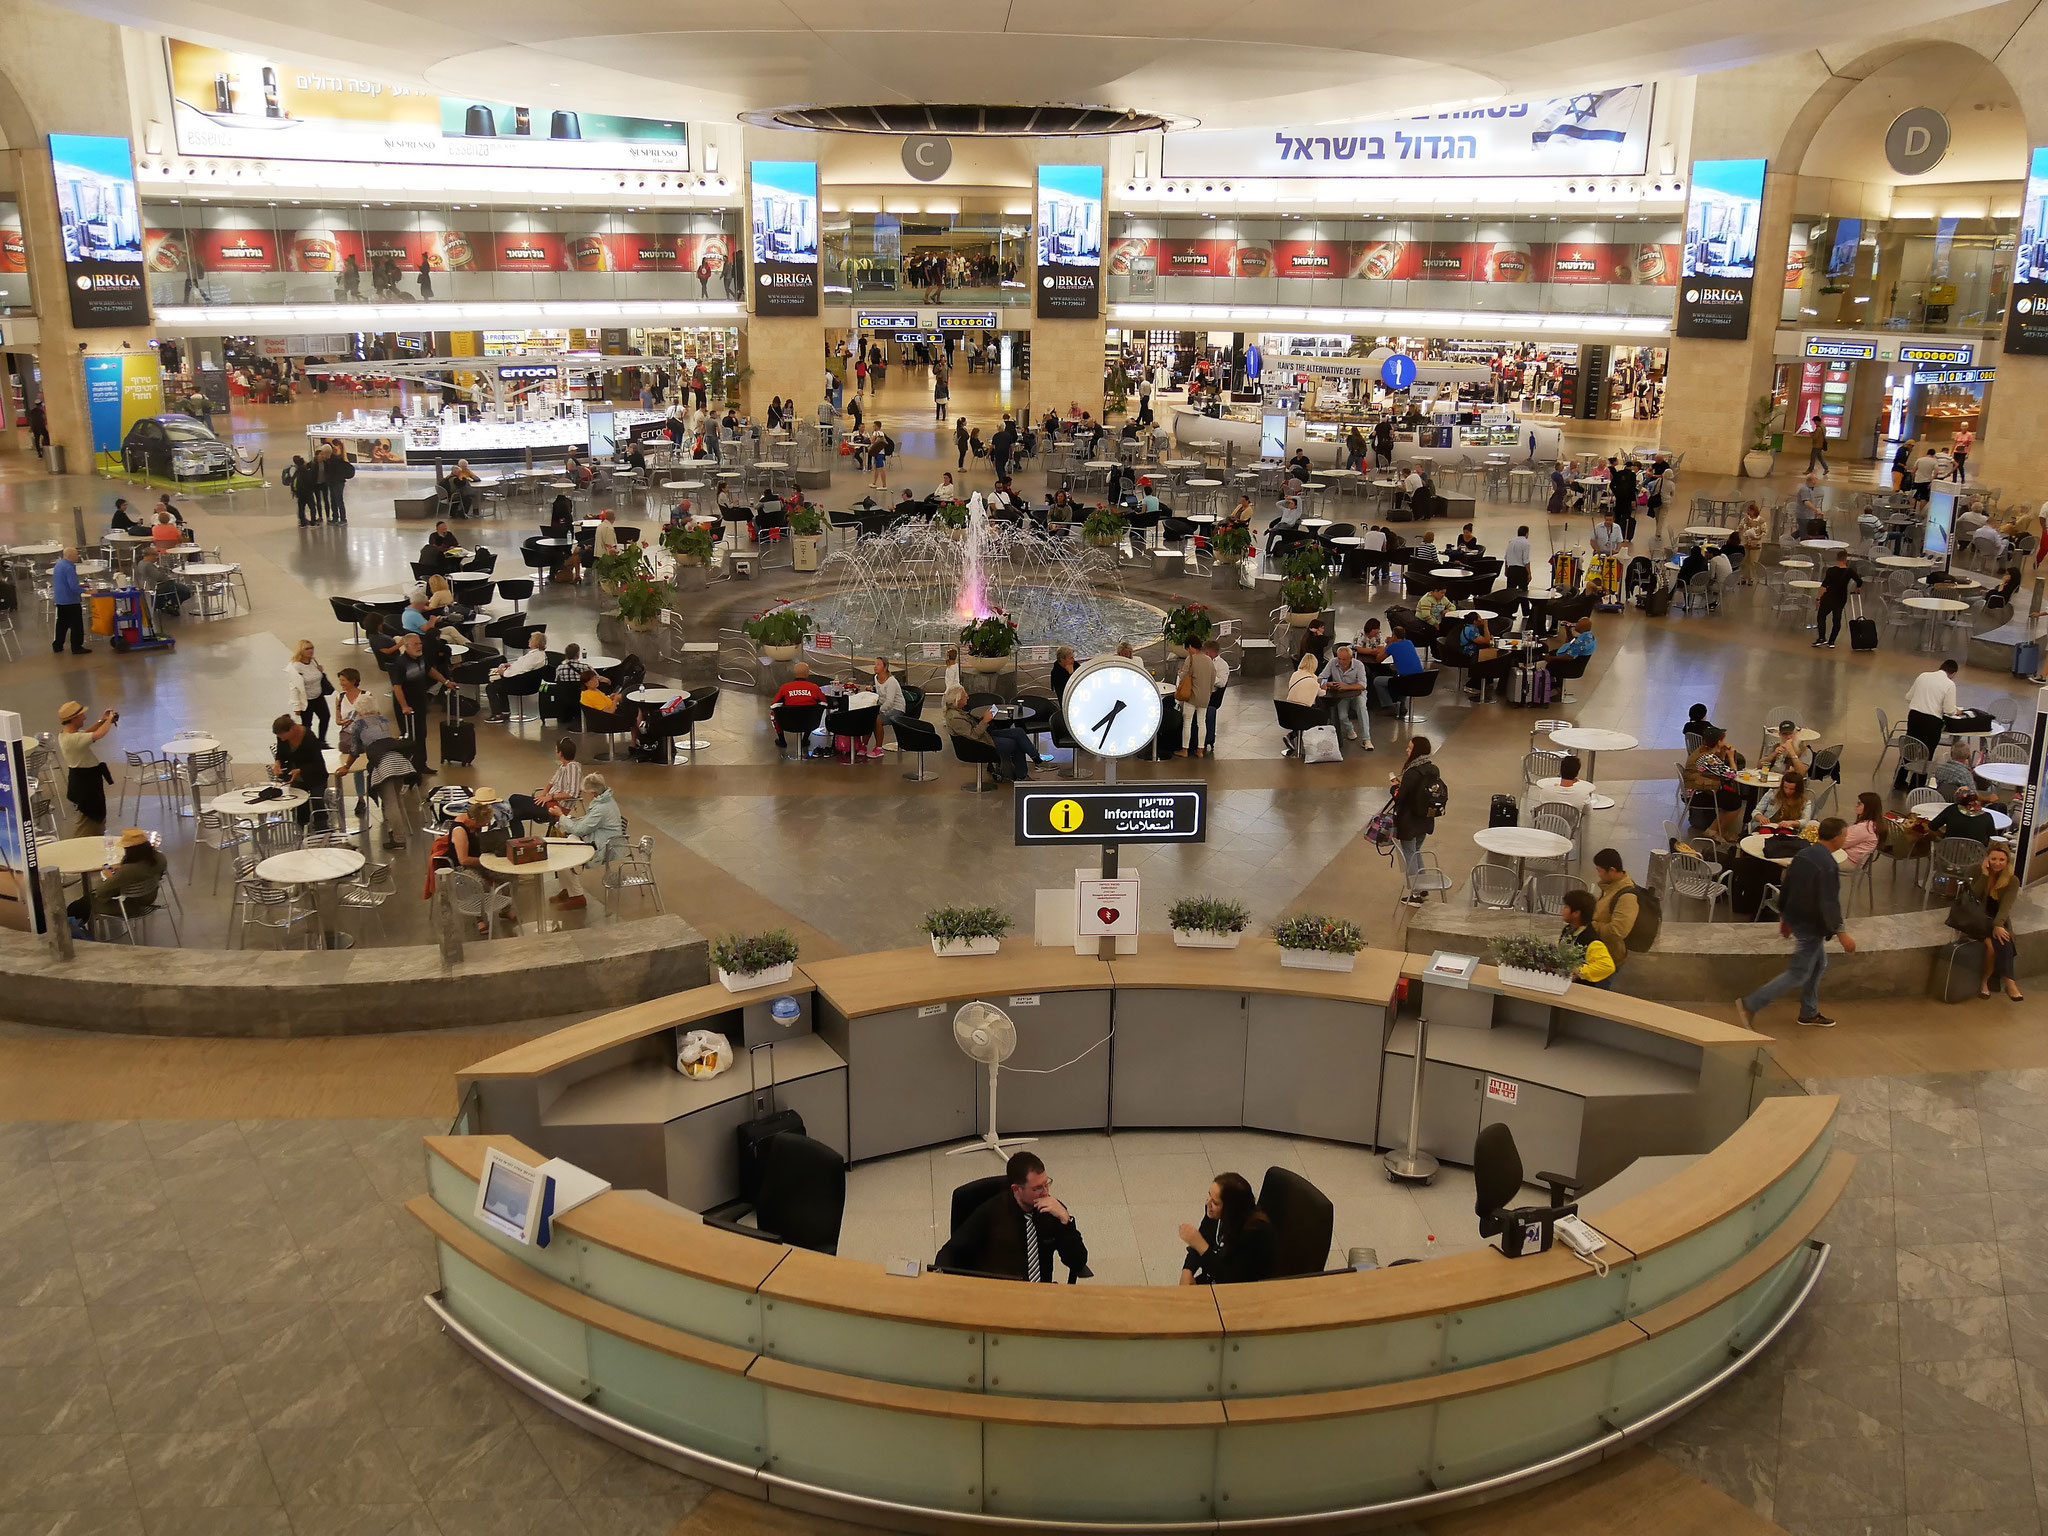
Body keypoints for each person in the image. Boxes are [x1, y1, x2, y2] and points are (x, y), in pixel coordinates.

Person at [1737, 818, 1856, 1029]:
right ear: (1836, 838)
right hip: (1812, 924)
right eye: (1845, 836)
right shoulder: (1827, 865)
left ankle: (1809, 1012)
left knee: (1819, 964)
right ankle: (1751, 1004)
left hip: (1798, 919)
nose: (1846, 839)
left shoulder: (1803, 854)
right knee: (1798, 973)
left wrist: (1785, 916)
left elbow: (1787, 885)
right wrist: (1842, 933)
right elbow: (1829, 903)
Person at [935, 1151, 1087, 1283]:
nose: (1045, 1192)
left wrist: (1066, 1221)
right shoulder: (991, 1212)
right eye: (1037, 1188)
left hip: (1041, 1296)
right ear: (1016, 1189)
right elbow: (949, 1252)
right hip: (1002, 1296)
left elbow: (1078, 1263)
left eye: (1046, 1184)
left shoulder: (1053, 1211)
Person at [1177, 1171, 1276, 1286]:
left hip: (1237, 1288)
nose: (1208, 1203)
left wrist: (1200, 1246)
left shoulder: (1253, 1235)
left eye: (1215, 1202)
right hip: (1213, 1274)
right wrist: (1187, 1270)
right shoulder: (1214, 1213)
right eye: (1209, 1195)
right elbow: (1203, 1237)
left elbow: (1231, 1280)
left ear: (1231, 1209)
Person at [65, 828, 169, 932]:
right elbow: (141, 871)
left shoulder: (127, 871)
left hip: (131, 906)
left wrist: (112, 876)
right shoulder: (159, 858)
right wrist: (121, 868)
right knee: (84, 902)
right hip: (149, 897)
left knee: (82, 903)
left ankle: (72, 930)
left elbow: (101, 892)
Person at [552, 773, 624, 911]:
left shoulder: (601, 808)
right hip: (601, 838)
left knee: (563, 855)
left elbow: (579, 829)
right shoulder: (604, 800)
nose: (585, 795)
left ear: (594, 793)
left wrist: (561, 816)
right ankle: (568, 888)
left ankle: (577, 896)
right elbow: (587, 823)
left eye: (586, 793)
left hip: (604, 845)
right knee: (564, 845)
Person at [1966, 844, 2023, 1000]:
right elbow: (1972, 898)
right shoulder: (1975, 871)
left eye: (2002, 860)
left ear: (2007, 861)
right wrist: (1984, 876)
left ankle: (2006, 981)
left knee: (2003, 938)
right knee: (1991, 946)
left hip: (1996, 918)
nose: (1998, 863)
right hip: (1975, 918)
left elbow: (2006, 906)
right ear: (1987, 859)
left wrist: (1998, 924)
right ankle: (1993, 982)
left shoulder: (2012, 880)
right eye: (1994, 859)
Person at [945, 685, 1036, 782]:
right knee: (1016, 743)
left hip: (985, 735)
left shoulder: (958, 712)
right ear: (957, 700)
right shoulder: (955, 718)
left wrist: (983, 719)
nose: (968, 697)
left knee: (1018, 732)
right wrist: (985, 720)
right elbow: (974, 735)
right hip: (980, 744)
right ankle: (1022, 775)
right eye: (964, 696)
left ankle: (1035, 758)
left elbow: (971, 727)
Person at [1390, 735, 1442, 901]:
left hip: (1409, 821)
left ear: (1417, 751)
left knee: (1409, 855)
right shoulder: (1433, 769)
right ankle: (1422, 885)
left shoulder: (1412, 772)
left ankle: (1416, 892)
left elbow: (1401, 798)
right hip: (1425, 819)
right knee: (1416, 851)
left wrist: (1394, 789)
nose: (1407, 750)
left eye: (1410, 748)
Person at [57, 700, 116, 833]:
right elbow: (99, 734)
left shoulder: (66, 735)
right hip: (86, 785)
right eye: (81, 715)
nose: (84, 717)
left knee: (94, 820)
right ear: (73, 718)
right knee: (88, 824)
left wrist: (103, 721)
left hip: (84, 782)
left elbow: (86, 734)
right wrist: (110, 719)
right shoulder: (72, 739)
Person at [1899, 659, 1959, 788]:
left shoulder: (1923, 675)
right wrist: (1956, 711)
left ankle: (1899, 781)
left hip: (1914, 716)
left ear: (1941, 667)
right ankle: (1916, 786)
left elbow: (1908, 697)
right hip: (1932, 722)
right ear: (1953, 674)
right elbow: (1949, 710)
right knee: (1927, 754)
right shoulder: (1949, 684)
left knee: (1910, 748)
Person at [1682, 726, 1744, 842]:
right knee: (1735, 802)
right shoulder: (1707, 758)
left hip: (1699, 787)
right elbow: (1733, 774)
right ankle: (1717, 831)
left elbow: (1714, 768)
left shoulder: (1702, 750)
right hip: (1697, 793)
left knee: (1729, 797)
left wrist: (1723, 753)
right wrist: (1730, 757)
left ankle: (1716, 829)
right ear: (1719, 741)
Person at [271, 713, 330, 825]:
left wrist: (300, 770)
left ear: (292, 729)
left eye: (283, 735)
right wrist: (277, 762)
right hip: (296, 777)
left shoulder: (309, 738)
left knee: (318, 804)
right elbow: (281, 753)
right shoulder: (282, 737)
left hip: (315, 776)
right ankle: (301, 832)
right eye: (279, 737)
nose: (281, 739)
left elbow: (317, 763)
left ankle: (322, 831)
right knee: (299, 806)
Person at [1589, 850, 1642, 968]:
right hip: (1600, 951)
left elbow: (1617, 931)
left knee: (1598, 986)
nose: (1598, 874)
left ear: (1612, 870)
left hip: (1609, 958)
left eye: (1599, 870)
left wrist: (1592, 927)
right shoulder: (1611, 885)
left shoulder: (1627, 897)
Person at [484, 632, 551, 722]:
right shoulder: (539, 655)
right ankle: (505, 711)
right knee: (499, 684)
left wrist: (503, 672)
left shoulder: (534, 657)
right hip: (526, 681)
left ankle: (497, 714)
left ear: (536, 642)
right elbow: (522, 667)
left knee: (491, 687)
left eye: (531, 639)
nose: (529, 640)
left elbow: (521, 671)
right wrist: (510, 666)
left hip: (522, 685)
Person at [1318, 644, 1372, 748]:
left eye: (1344, 659)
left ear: (1350, 659)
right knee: (1342, 716)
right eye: (1339, 658)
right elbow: (1320, 679)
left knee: (1362, 708)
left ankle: (1366, 739)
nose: (1341, 662)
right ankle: (1349, 729)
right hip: (1342, 695)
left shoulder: (1359, 665)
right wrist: (1329, 684)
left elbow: (1362, 685)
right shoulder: (1332, 662)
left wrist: (1346, 686)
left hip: (1358, 693)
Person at [1560, 891, 1617, 988]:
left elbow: (1608, 966)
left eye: (1566, 907)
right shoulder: (1568, 930)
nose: (1562, 909)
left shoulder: (1591, 940)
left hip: (1580, 990)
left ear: (1576, 913)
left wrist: (1578, 971)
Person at [1809, 551, 1863, 650]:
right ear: (1845, 559)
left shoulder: (1831, 570)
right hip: (1841, 598)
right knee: (1836, 620)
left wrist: (1818, 598)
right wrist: (1857, 588)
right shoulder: (1849, 571)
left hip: (1829, 597)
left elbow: (1824, 586)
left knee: (1821, 616)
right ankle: (1832, 641)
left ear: (1837, 558)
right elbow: (1859, 581)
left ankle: (1821, 638)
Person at [769, 664, 826, 756]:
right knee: (813, 711)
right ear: (807, 674)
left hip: (788, 724)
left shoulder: (785, 687)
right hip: (809, 723)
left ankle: (782, 740)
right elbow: (824, 702)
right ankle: (805, 739)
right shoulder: (814, 688)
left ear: (794, 674)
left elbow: (773, 705)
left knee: (773, 713)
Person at [286, 640, 332, 744]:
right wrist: (296, 706)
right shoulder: (295, 667)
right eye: (307, 649)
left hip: (318, 696)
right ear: (301, 650)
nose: (310, 651)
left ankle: (321, 741)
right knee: (307, 724)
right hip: (306, 700)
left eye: (311, 648)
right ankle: (309, 743)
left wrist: (320, 671)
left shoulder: (313, 661)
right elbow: (294, 688)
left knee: (325, 717)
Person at [1176, 642, 1216, 758]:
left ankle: (1184, 750)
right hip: (1204, 696)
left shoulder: (1191, 659)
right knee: (1202, 723)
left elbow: (1183, 676)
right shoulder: (1209, 660)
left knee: (1187, 722)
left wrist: (1180, 673)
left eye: (1188, 649)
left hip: (1192, 696)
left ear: (1191, 647)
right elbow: (1213, 677)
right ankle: (1200, 750)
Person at [50, 547, 88, 655]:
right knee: (76, 624)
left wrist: (80, 585)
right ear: (70, 556)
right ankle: (77, 646)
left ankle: (57, 645)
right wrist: (85, 590)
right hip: (70, 600)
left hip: (60, 599)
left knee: (62, 623)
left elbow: (64, 582)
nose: (78, 556)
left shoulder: (59, 565)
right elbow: (73, 587)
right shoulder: (69, 567)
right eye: (76, 554)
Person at [1932, 788, 1998, 846]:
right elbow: (1994, 840)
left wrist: (1944, 837)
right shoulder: (1987, 817)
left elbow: (1932, 826)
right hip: (1976, 857)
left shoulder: (1952, 809)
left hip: (1948, 856)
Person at [1201, 640, 1229, 754]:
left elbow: (1222, 682)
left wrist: (1210, 676)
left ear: (1210, 653)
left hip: (1211, 695)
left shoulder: (1222, 665)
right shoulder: (1202, 661)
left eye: (1206, 653)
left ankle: (1204, 738)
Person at [1501, 525, 1533, 590]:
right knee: (1523, 592)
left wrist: (1506, 569)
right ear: (1526, 533)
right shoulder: (1526, 543)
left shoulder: (1511, 542)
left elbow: (1506, 557)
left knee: (1510, 593)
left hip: (1511, 570)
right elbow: (1526, 560)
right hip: (1521, 571)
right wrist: (1529, 573)